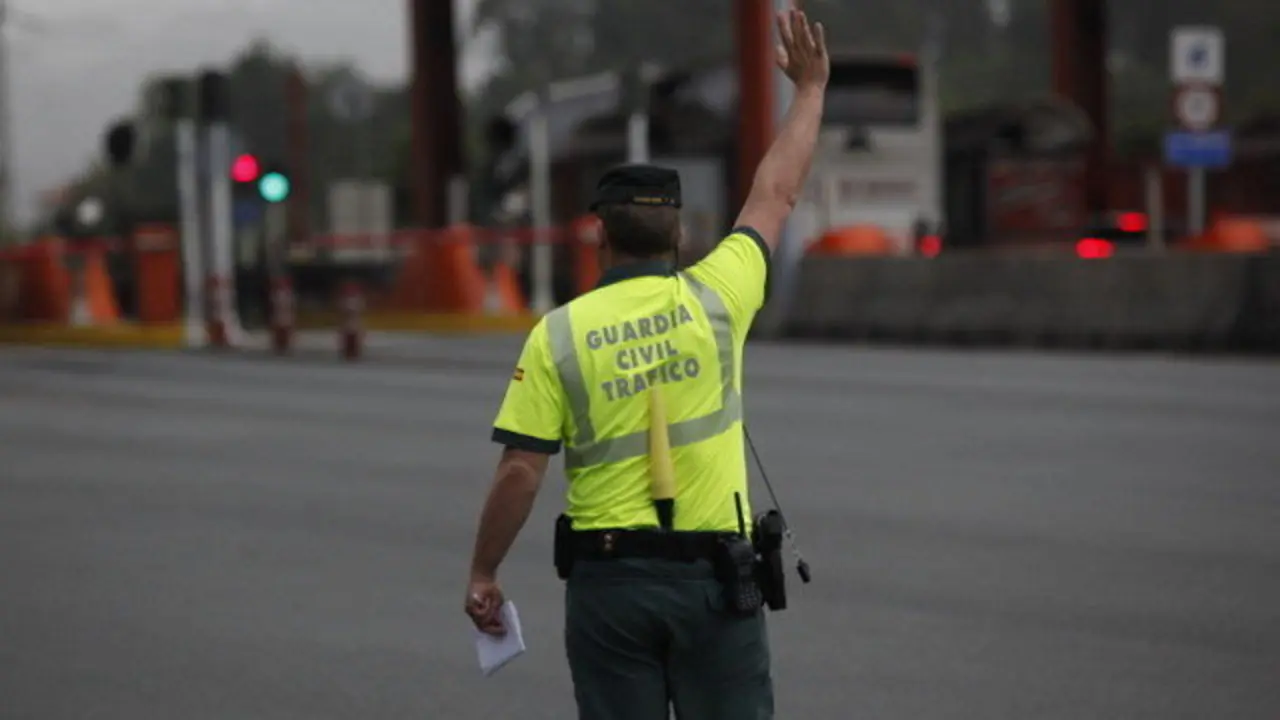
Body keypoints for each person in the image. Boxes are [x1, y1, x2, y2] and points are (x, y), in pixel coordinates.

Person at [464, 4, 829, 718]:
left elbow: (519, 471)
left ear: (599, 234)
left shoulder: (558, 335)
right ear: (680, 233)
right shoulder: (720, 296)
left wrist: (484, 570)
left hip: (611, 589)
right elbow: (777, 192)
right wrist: (810, 90)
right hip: (717, 587)